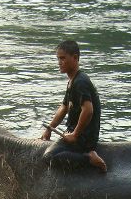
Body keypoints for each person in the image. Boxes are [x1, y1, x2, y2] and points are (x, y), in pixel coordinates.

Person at [39, 39, 107, 172]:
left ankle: (88, 158)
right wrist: (50, 128)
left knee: (49, 157)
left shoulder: (81, 82)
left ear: (75, 58)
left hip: (83, 138)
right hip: (77, 134)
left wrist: (75, 134)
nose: (59, 62)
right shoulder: (72, 80)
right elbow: (64, 107)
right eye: (58, 59)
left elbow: (88, 110)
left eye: (63, 58)